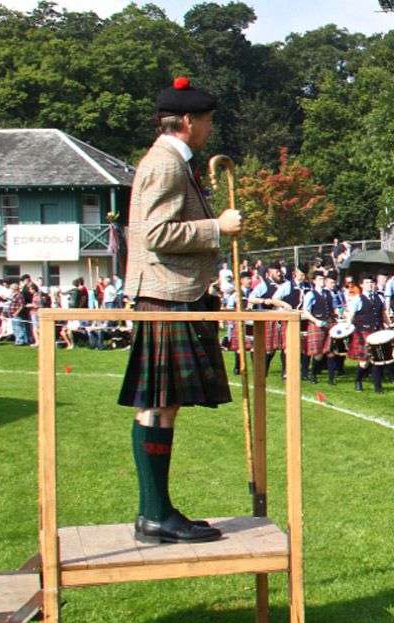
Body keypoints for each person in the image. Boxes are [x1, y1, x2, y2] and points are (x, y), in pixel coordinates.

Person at [118, 76, 241, 544]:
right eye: (207, 121)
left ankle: (158, 509)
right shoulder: (166, 165)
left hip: (175, 294)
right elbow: (157, 235)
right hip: (166, 295)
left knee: (162, 406)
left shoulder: (173, 161)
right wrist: (217, 227)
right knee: (156, 406)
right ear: (188, 121)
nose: (210, 129)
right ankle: (153, 513)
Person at [345, 276, 388, 392]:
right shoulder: (357, 299)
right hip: (363, 332)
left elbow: (383, 314)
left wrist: (388, 324)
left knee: (378, 360)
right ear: (362, 285)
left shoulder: (380, 298)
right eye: (367, 282)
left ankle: (378, 387)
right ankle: (358, 380)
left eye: (372, 282)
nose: (370, 284)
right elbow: (350, 315)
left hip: (378, 331)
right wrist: (349, 326)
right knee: (364, 362)